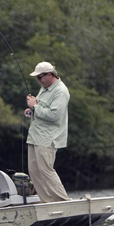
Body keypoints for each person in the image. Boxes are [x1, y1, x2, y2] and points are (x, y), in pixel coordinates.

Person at [25, 61, 72, 202]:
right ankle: (48, 203)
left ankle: (63, 201)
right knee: (34, 171)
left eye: (40, 77)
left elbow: (54, 115)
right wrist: (31, 109)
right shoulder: (44, 88)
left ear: (50, 74)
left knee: (46, 170)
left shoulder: (61, 91)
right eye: (37, 78)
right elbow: (41, 109)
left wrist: (35, 107)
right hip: (34, 136)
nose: (38, 80)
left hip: (47, 138)